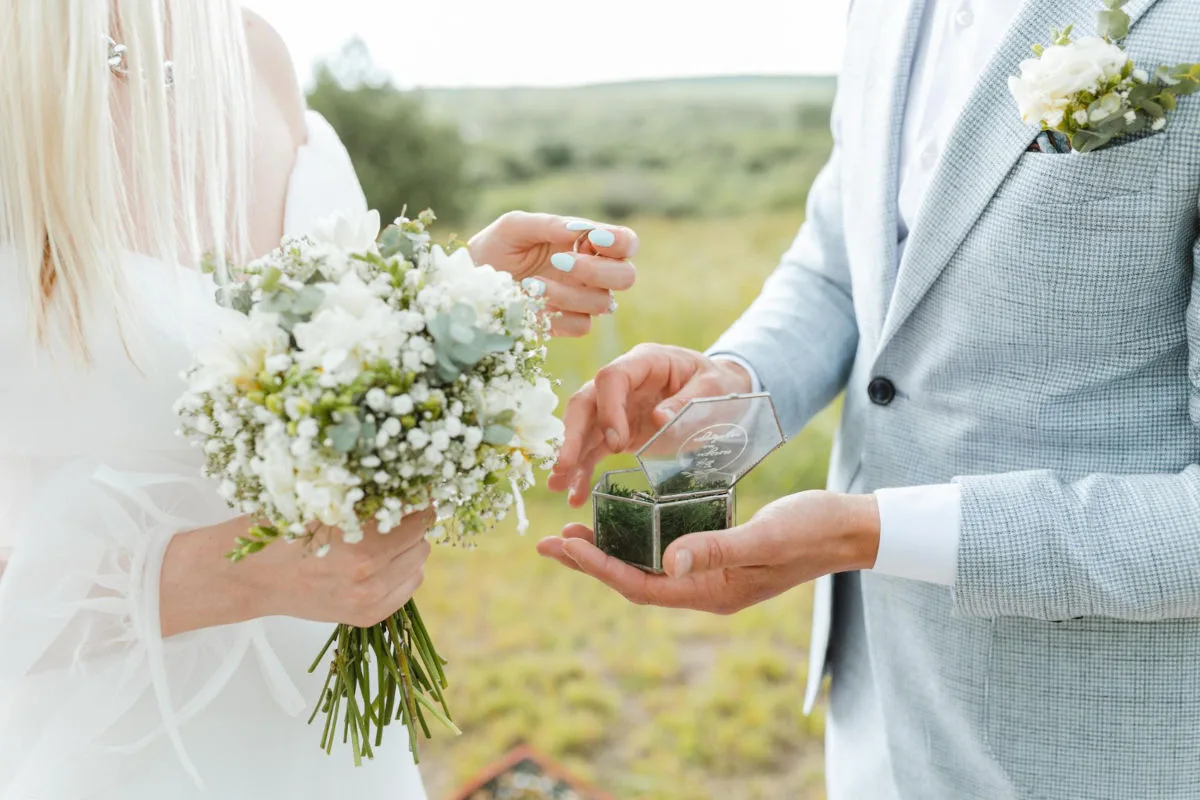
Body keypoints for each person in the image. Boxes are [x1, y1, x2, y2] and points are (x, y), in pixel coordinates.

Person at [539, 0, 1200, 798]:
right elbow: (838, 267)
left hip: (1096, 738)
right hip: (875, 699)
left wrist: (867, 533)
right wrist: (730, 386)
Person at [0, 3, 636, 799]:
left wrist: (445, 313)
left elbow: (295, 348)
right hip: (104, 756)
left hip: (329, 742)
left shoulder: (256, 53)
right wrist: (229, 578)